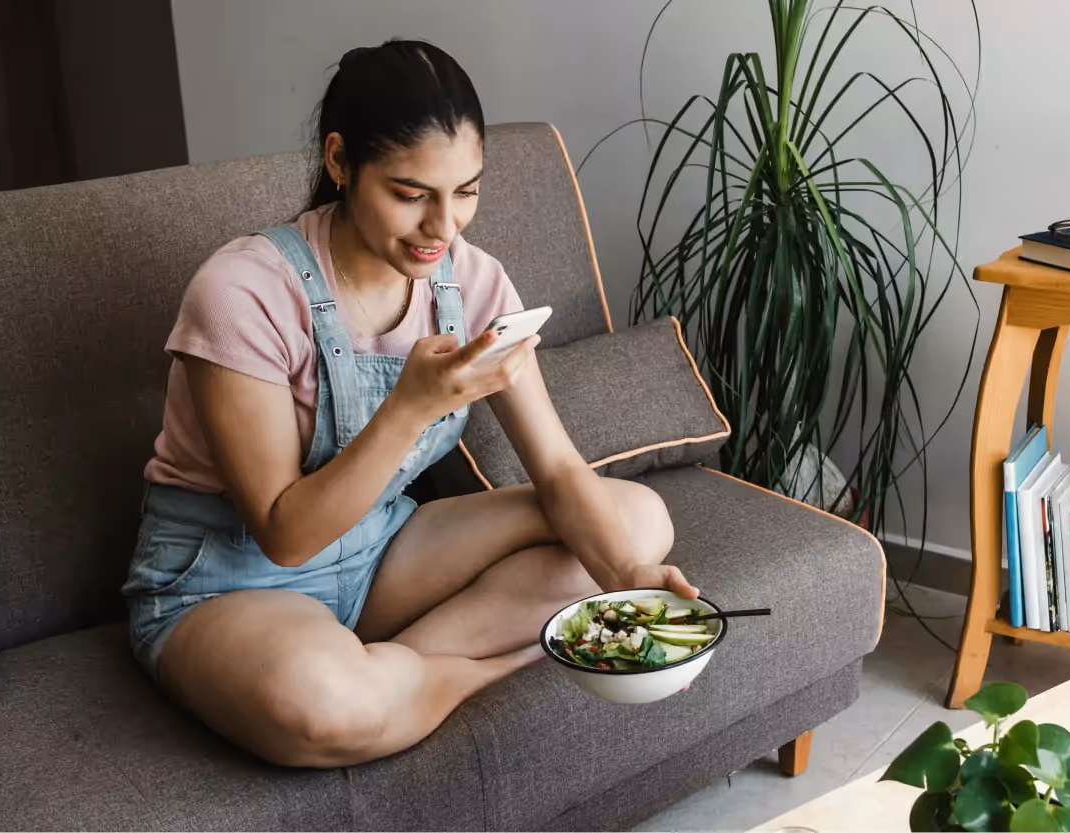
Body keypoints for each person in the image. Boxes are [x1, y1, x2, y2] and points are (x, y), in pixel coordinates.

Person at [120, 40, 698, 769]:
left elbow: (556, 469)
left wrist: (629, 584)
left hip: (379, 552)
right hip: (225, 579)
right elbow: (284, 534)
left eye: (466, 191)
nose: (443, 228)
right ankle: (473, 670)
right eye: (410, 193)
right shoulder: (244, 293)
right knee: (324, 702)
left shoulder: (476, 286)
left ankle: (395, 673)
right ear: (339, 161)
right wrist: (408, 408)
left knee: (636, 522)